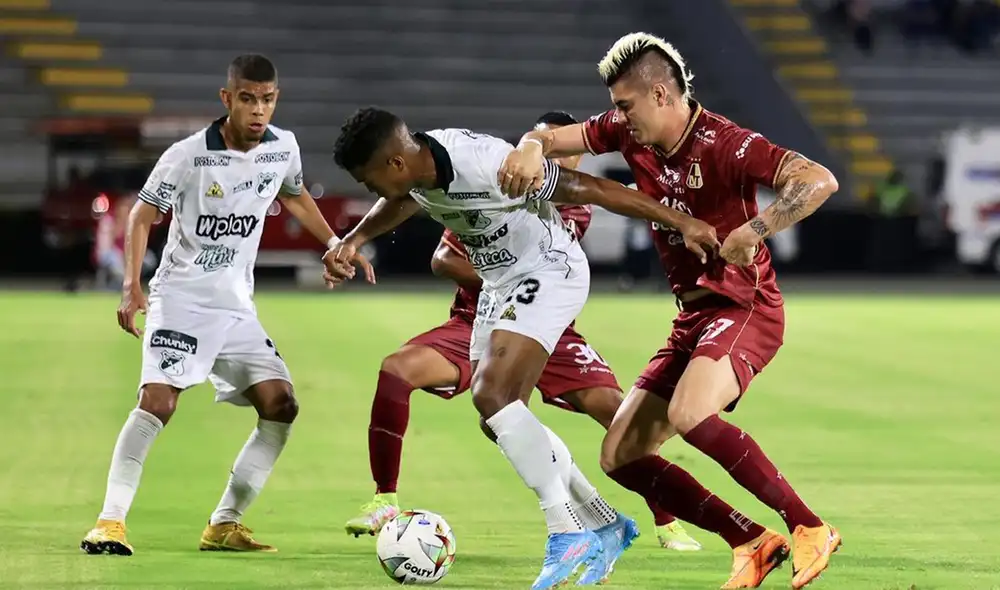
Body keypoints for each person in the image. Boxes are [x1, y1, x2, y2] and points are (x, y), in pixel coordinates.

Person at [499, 32, 842, 589]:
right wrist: (533, 147)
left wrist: (753, 230)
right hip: (693, 317)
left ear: (661, 94)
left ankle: (808, 526)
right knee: (621, 453)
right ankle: (750, 540)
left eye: (625, 105)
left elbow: (818, 180)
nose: (617, 117)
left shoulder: (726, 143)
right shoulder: (624, 132)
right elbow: (546, 136)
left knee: (690, 415)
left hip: (744, 305)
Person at [324, 107, 719, 589]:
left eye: (370, 182)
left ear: (395, 164)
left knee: (494, 396)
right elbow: (406, 199)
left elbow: (591, 189)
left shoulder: (488, 163)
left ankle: (565, 531)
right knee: (498, 421)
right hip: (499, 284)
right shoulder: (416, 171)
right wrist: (355, 238)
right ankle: (603, 520)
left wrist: (681, 221)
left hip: (549, 272)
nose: (371, 193)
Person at [80, 54, 371, 557]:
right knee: (158, 403)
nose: (259, 111)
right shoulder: (188, 155)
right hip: (181, 300)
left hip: (236, 307)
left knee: (281, 404)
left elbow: (295, 194)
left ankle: (223, 524)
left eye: (268, 99)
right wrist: (132, 285)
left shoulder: (283, 148)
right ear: (227, 98)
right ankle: (109, 522)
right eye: (248, 99)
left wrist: (332, 243)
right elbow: (141, 216)